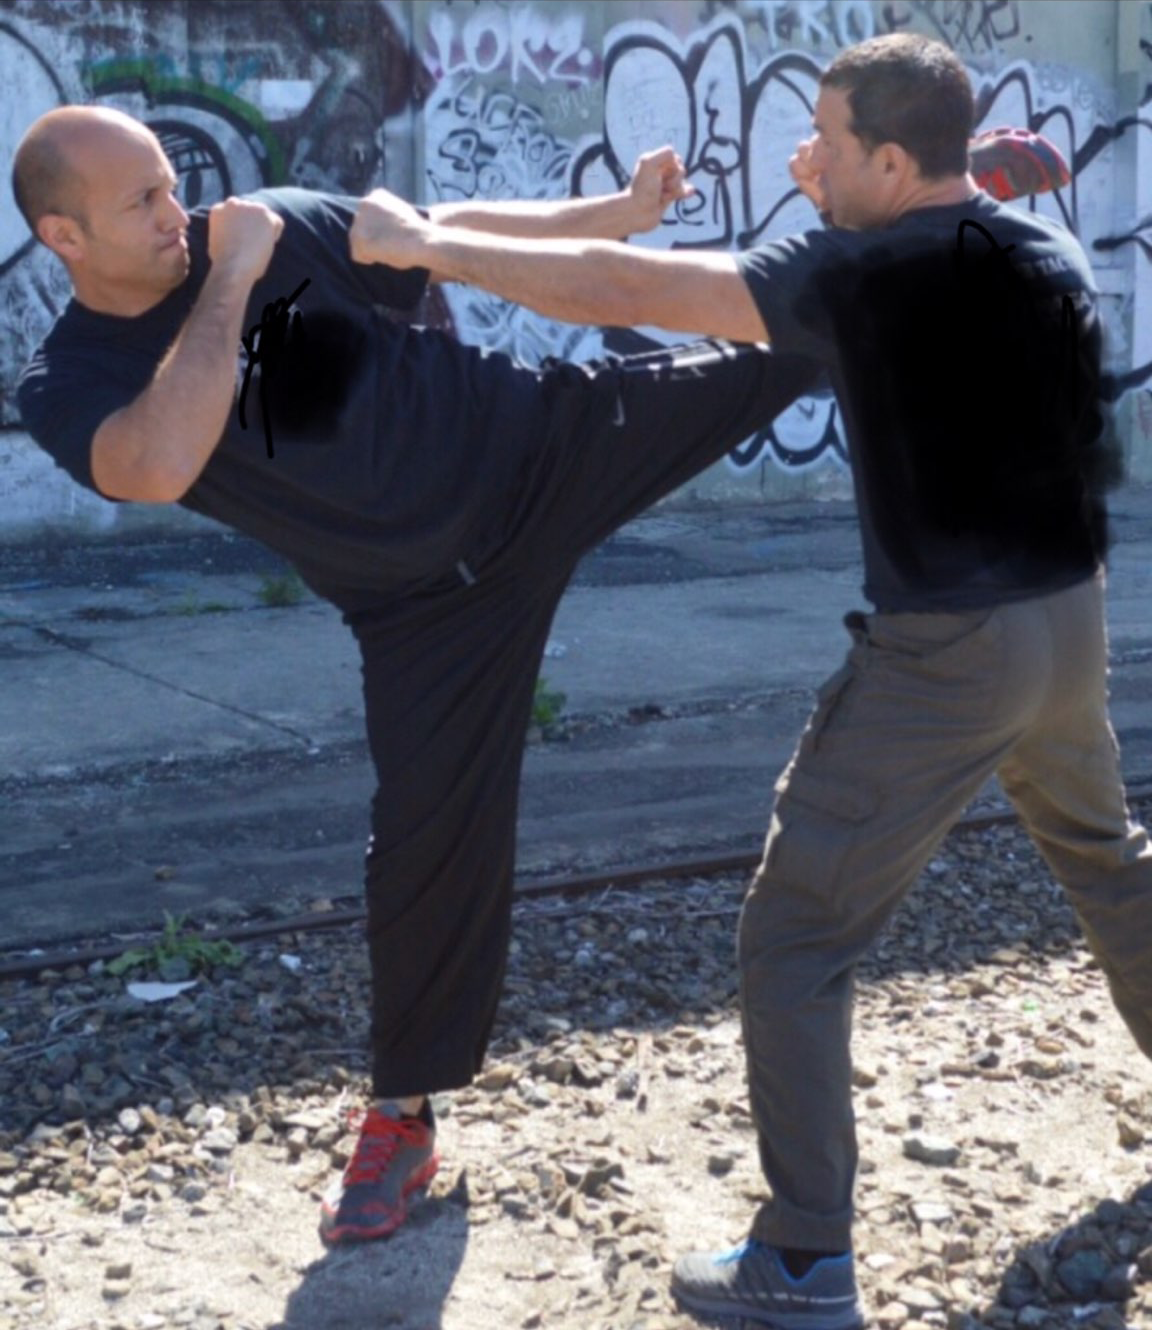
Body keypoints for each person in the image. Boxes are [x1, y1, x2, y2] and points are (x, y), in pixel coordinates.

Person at [348, 33, 1152, 1330]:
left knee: (792, 939)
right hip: (1068, 618)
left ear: (893, 161)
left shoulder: (862, 271)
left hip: (947, 652)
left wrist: (426, 243)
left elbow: (627, 283)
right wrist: (877, 191)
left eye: (826, 144)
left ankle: (805, 1257)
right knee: (1109, 860)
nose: (800, 159)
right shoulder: (1038, 245)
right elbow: (942, 238)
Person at [13, 105, 824, 1245]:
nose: (177, 211)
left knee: (789, 342)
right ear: (64, 236)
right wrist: (235, 281)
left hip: (540, 449)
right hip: (421, 613)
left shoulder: (269, 226)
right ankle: (403, 1119)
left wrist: (618, 212)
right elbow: (155, 460)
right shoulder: (72, 377)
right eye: (142, 199)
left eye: (171, 181)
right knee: (421, 847)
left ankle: (921, 218)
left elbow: (434, 230)